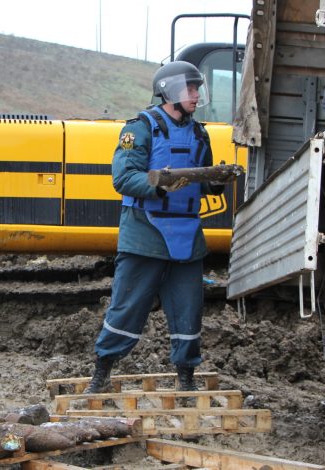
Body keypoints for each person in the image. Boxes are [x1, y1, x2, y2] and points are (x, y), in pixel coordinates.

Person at [85, 61, 232, 393]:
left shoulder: (199, 132)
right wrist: (159, 186)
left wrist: (217, 181)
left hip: (188, 236)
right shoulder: (140, 129)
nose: (196, 95)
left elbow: (204, 181)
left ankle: (186, 379)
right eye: (190, 89)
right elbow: (123, 178)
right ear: (170, 91)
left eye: (197, 89)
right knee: (127, 306)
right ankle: (102, 373)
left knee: (189, 311)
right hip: (144, 234)